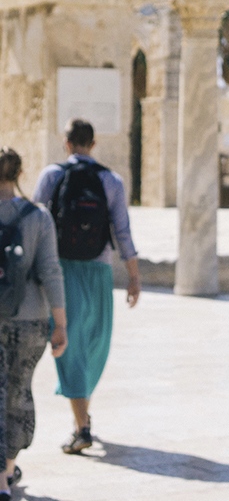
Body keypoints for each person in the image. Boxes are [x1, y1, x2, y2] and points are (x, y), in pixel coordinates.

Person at [32, 120, 141, 455]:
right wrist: (134, 276)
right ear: (93, 144)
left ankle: (82, 424)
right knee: (93, 344)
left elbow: (35, 222)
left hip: (61, 270)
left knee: (71, 345)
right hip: (99, 269)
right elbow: (122, 230)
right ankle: (83, 424)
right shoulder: (111, 180)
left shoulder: (51, 175)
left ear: (66, 143)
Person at [0, 148, 68, 499]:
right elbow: (51, 272)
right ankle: (7, 472)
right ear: (20, 172)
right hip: (30, 320)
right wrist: (61, 325)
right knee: (18, 392)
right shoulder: (38, 216)